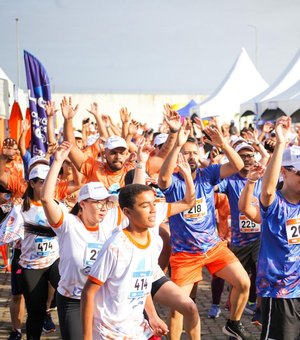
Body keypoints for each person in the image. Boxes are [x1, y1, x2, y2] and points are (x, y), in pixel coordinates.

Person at [158, 124, 252, 340]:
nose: (190, 157)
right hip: (185, 254)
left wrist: (223, 144)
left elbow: (237, 165)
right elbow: (162, 179)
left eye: (193, 152)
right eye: (185, 153)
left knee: (243, 282)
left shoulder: (207, 174)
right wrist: (176, 146)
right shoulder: (173, 181)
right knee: (178, 307)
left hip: (213, 247)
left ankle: (233, 324)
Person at [41, 141, 121, 340]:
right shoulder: (68, 224)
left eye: (106, 203)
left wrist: (139, 165)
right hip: (73, 300)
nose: (103, 208)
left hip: (102, 298)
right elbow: (46, 199)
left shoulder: (109, 223)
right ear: (82, 204)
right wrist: (58, 161)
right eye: (98, 203)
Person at [81, 184, 169, 339]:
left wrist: (153, 316)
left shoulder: (156, 242)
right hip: (110, 333)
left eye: (153, 204)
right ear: (127, 212)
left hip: (138, 329)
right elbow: (89, 292)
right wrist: (87, 337)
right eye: (145, 206)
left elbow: (143, 285)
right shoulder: (115, 246)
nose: (153, 210)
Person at [243, 116, 300, 339]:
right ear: (284, 172)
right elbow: (265, 192)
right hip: (280, 292)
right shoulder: (276, 203)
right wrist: (280, 144)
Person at [217, 142, 263, 323]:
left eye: (250, 155)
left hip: (260, 237)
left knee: (261, 272)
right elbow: (210, 185)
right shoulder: (229, 180)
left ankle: (259, 309)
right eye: (242, 156)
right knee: (238, 280)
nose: (247, 159)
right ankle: (234, 318)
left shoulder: (262, 177)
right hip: (239, 240)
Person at [15, 164, 60, 340]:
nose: (47, 185)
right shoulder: (21, 208)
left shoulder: (57, 205)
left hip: (54, 260)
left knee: (69, 292)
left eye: (50, 181)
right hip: (31, 265)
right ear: (32, 184)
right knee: (35, 312)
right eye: (42, 182)